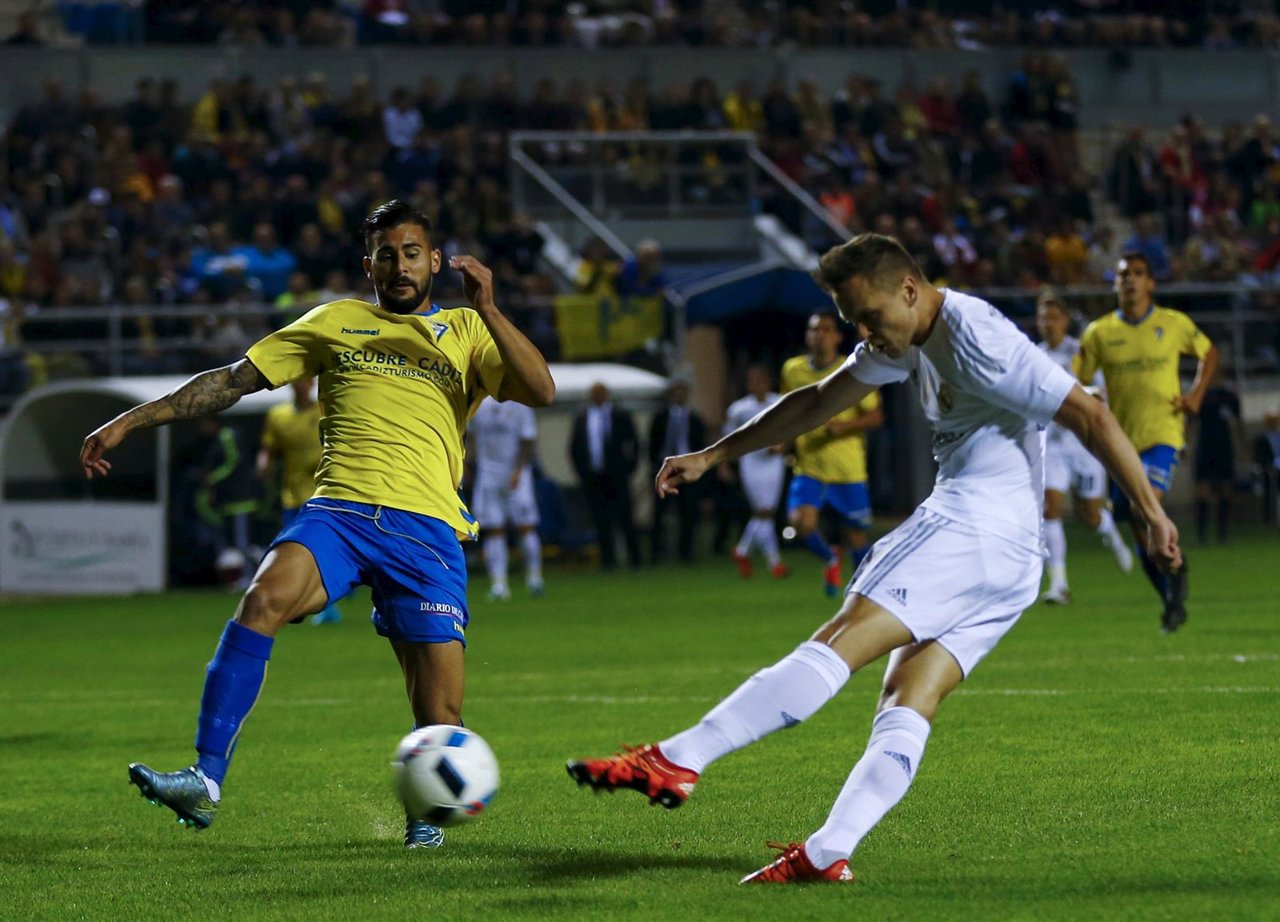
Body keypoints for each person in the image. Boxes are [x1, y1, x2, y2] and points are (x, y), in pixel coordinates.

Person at [566, 233, 1180, 884]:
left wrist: (1150, 512)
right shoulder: (908, 334)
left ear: (909, 290)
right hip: (1012, 560)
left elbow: (1091, 414)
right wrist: (716, 454)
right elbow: (817, 400)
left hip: (969, 526)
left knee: (841, 639)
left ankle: (678, 757)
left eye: (869, 316)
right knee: (907, 697)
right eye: (852, 319)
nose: (863, 332)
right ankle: (828, 851)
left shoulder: (975, 336)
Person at [80, 200, 554, 849]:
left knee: (440, 713)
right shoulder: (333, 322)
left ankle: (427, 818)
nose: (400, 265)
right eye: (386, 255)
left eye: (412, 253)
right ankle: (205, 778)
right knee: (262, 599)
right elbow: (232, 381)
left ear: (435, 261)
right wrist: (130, 420)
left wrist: (492, 309)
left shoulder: (469, 330)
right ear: (368, 265)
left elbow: (541, 390)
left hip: (427, 529)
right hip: (341, 511)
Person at [1078, 252, 1217, 633]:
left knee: (1144, 508)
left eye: (1138, 274)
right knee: (1138, 526)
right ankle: (1171, 597)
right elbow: (1078, 380)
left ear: (1151, 282)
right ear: (1115, 283)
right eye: (1124, 275)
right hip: (1120, 440)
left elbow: (1208, 353)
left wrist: (1196, 395)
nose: (1130, 280)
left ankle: (1175, 580)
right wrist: (1090, 393)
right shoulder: (1098, 333)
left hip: (1163, 433)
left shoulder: (1172, 323)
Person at [1034, 289, 1133, 605]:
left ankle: (1110, 534)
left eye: (1053, 317)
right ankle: (1059, 584)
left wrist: (1073, 403)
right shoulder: (1033, 356)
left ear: (1065, 320)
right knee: (1050, 508)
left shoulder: (1080, 352)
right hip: (1052, 446)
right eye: (1043, 318)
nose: (1048, 324)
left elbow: (1101, 393)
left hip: (1083, 444)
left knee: (1089, 515)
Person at [780, 312, 883, 596]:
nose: (819, 335)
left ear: (837, 337)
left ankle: (862, 592)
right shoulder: (792, 370)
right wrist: (781, 440)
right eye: (814, 329)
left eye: (826, 329)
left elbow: (876, 416)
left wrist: (843, 426)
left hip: (847, 468)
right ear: (807, 336)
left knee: (856, 536)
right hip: (809, 466)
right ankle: (831, 558)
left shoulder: (853, 369)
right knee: (800, 523)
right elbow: (786, 411)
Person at [255, 377, 341, 624]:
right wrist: (264, 464)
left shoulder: (325, 410)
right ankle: (303, 600)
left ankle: (324, 604)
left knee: (320, 552)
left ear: (312, 384)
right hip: (292, 496)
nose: (301, 385)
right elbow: (269, 448)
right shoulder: (278, 416)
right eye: (297, 381)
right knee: (291, 551)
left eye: (305, 381)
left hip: (324, 494)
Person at [466, 394, 545, 600]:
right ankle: (499, 584)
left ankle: (535, 578)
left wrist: (519, 470)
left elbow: (528, 440)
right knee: (494, 530)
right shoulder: (480, 405)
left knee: (525, 527)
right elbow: (471, 437)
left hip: (516, 475)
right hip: (488, 474)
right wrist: (470, 467)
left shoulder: (521, 405)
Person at [722, 365, 788, 579]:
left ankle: (743, 551)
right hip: (751, 462)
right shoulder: (738, 409)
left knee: (766, 511)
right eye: (752, 381)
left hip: (773, 462)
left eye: (760, 381)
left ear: (768, 382)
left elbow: (791, 427)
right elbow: (727, 438)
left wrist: (783, 444)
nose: (756, 385)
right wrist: (724, 465)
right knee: (764, 511)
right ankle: (774, 562)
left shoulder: (779, 402)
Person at [569, 382, 642, 570]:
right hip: (594, 476)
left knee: (625, 517)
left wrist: (629, 468)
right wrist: (582, 472)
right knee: (601, 519)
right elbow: (575, 447)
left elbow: (633, 443)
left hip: (617, 475)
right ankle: (608, 560)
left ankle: (635, 559)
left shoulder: (620, 415)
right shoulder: (583, 417)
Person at [648, 379, 707, 564]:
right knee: (660, 513)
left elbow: (701, 445)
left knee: (689, 512)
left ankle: (685, 552)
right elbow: (652, 443)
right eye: (676, 391)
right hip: (665, 469)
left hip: (687, 470)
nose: (679, 395)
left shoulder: (695, 419)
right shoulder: (661, 417)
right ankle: (656, 553)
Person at [1192, 374, 1244, 543]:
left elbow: (1239, 423)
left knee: (1226, 491)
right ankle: (1201, 534)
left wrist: (1243, 447)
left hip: (1224, 449)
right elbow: (1190, 422)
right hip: (1205, 448)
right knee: (1202, 492)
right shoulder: (1201, 394)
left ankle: (1222, 533)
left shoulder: (1229, 396)